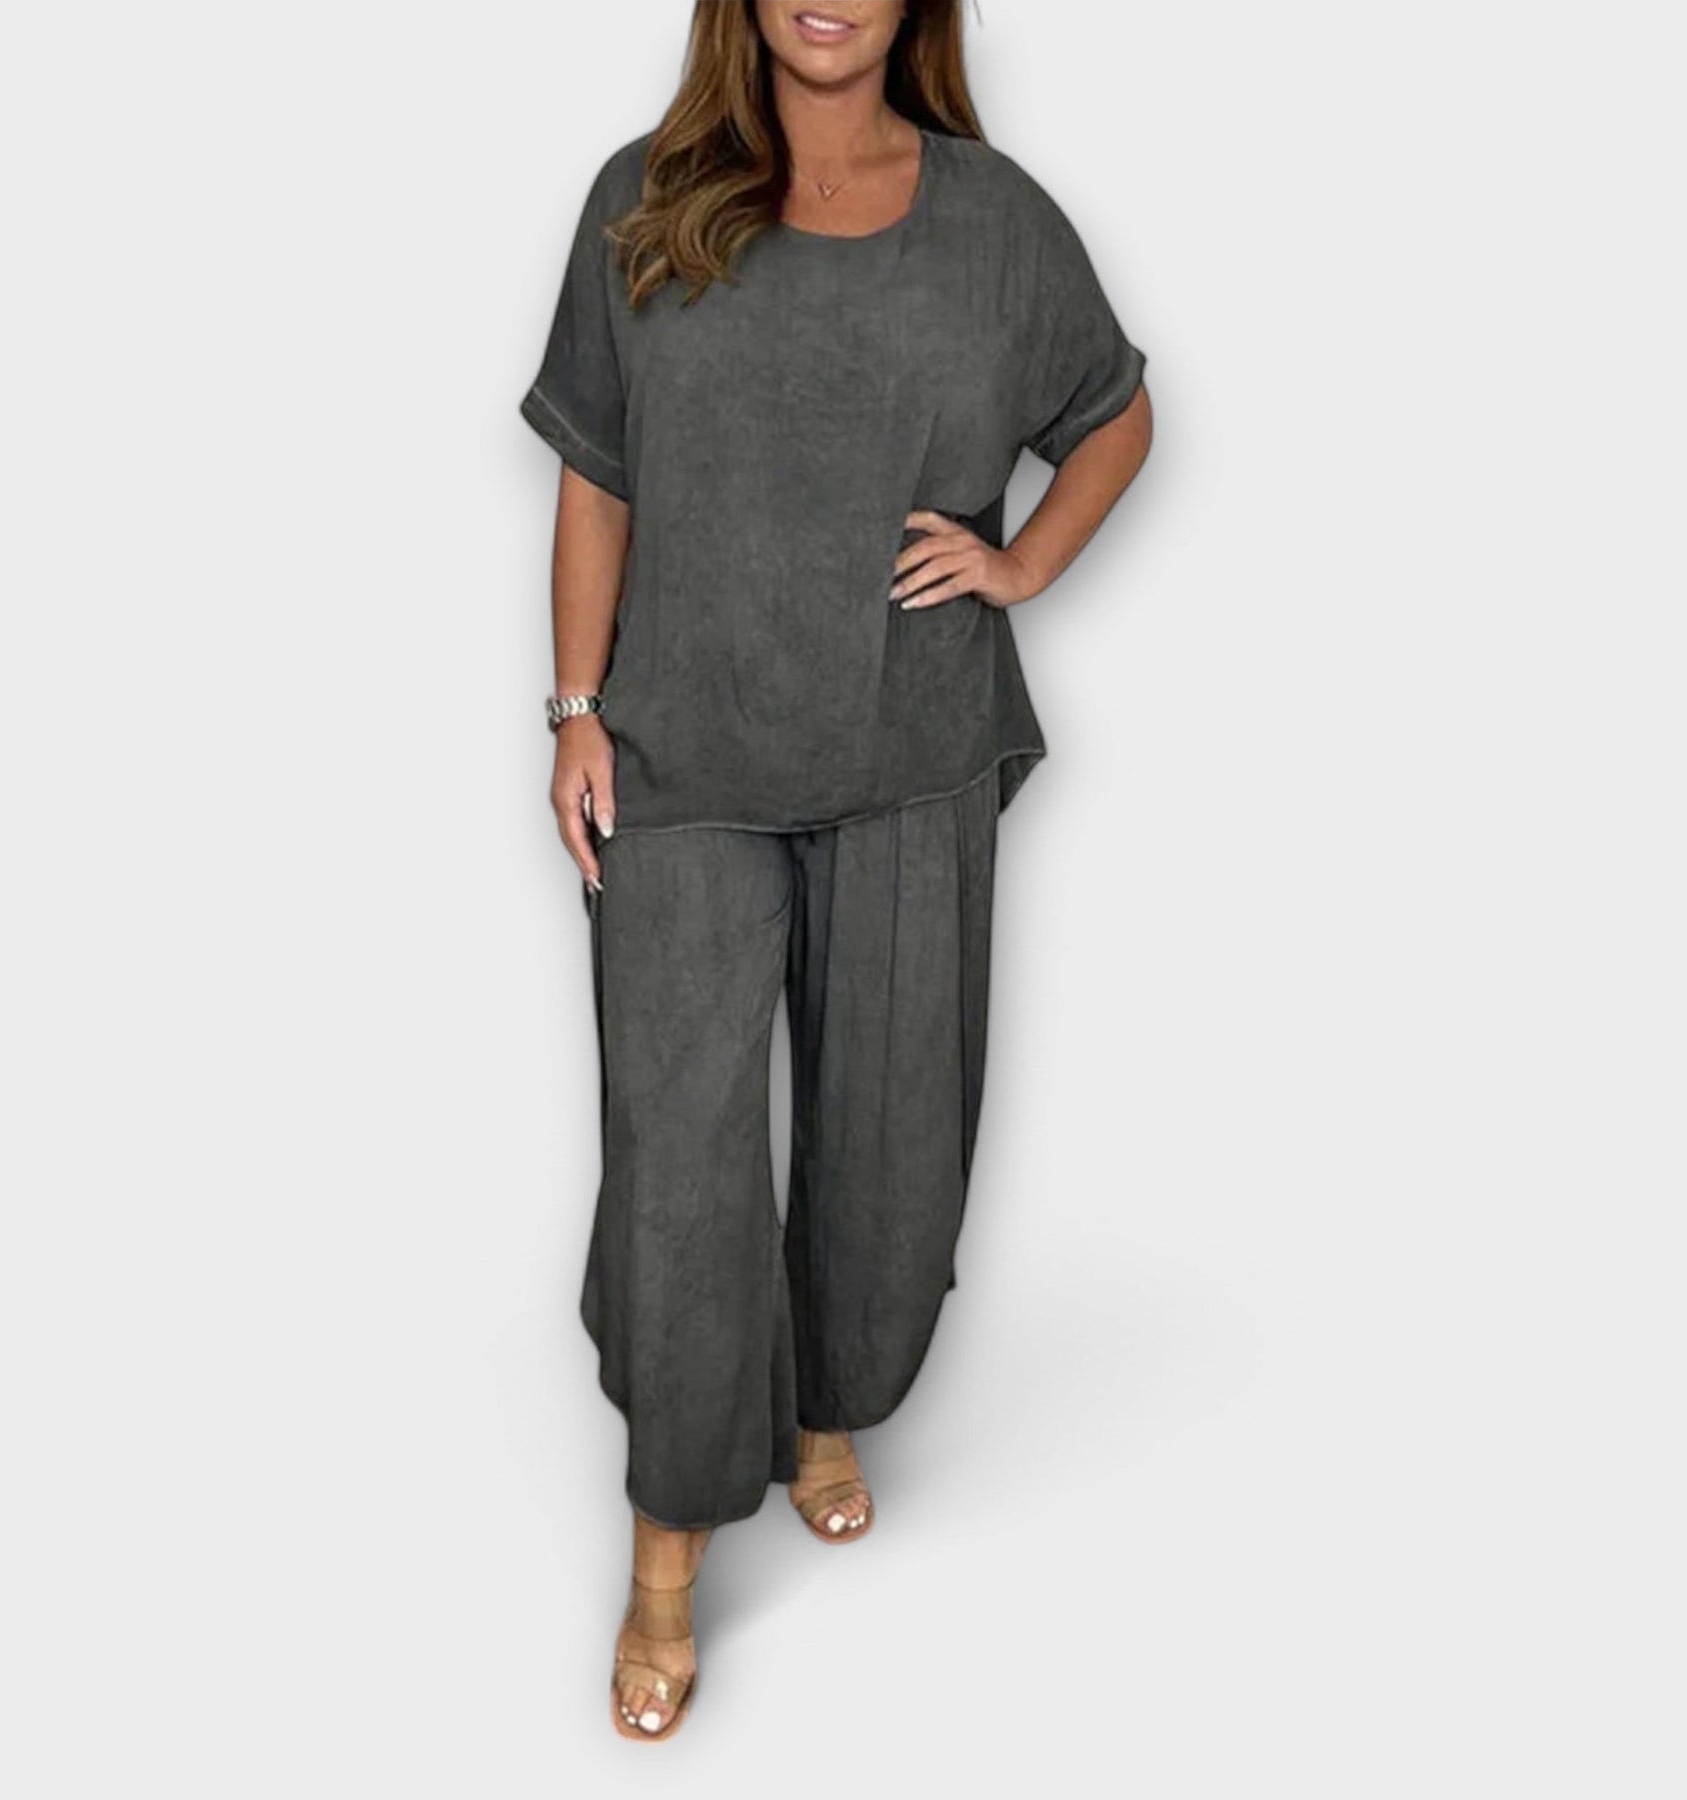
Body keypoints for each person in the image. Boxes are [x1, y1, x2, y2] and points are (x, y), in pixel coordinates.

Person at [519, 0, 1152, 1742]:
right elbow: (595, 481)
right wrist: (573, 709)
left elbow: (1115, 415)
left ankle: (823, 1416)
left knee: (889, 1139)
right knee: (682, 1170)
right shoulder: (645, 199)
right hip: (683, 759)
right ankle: (665, 1558)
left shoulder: (995, 219)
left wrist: (1021, 566)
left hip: (907, 758)